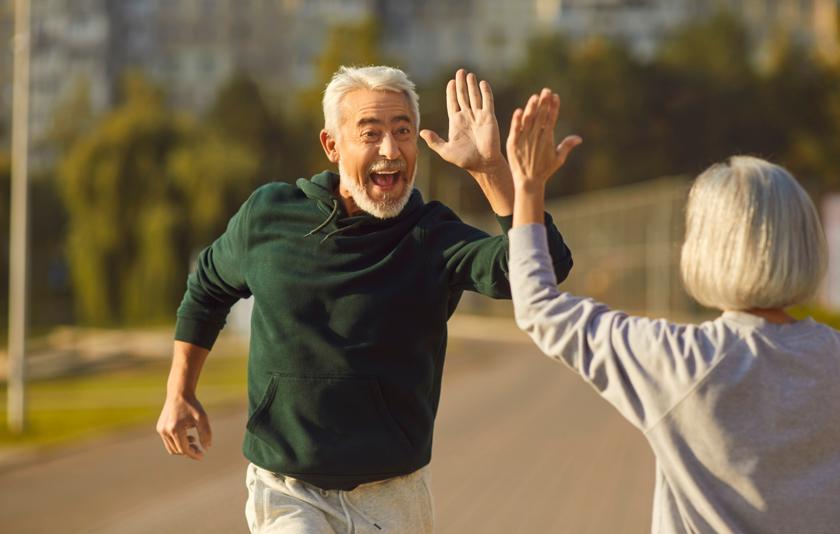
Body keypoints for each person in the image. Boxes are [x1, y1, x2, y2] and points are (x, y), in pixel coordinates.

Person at [156, 66, 573, 533]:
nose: (390, 151)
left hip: (393, 495)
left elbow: (543, 269)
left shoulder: (432, 236)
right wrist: (180, 391)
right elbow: (207, 289)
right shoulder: (270, 217)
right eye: (370, 134)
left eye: (402, 132)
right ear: (332, 145)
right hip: (287, 490)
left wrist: (490, 169)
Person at [504, 89, 840, 533]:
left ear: (705, 248)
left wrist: (528, 188)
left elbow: (539, 307)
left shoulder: (680, 360)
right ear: (806, 240)